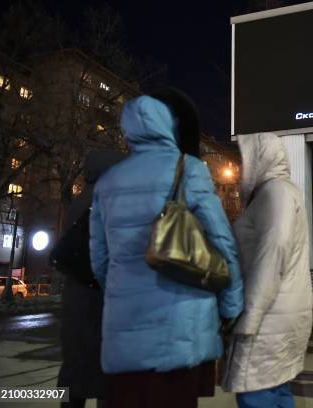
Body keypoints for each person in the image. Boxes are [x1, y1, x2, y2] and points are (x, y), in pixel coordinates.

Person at [89, 92, 243, 408]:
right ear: (166, 126)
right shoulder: (189, 169)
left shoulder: (107, 183)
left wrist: (124, 292)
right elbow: (222, 243)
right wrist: (231, 306)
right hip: (181, 330)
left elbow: (100, 260)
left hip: (125, 336)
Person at [223, 133, 313, 408]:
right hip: (278, 313)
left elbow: (272, 255)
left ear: (259, 158)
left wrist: (249, 315)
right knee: (277, 389)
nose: (241, 166)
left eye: (245, 157)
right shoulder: (276, 192)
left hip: (268, 319)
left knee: (256, 394)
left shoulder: (275, 193)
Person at [57, 150, 125, 408]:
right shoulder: (108, 202)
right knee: (105, 378)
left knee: (73, 369)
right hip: (100, 299)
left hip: (75, 298)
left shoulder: (79, 201)